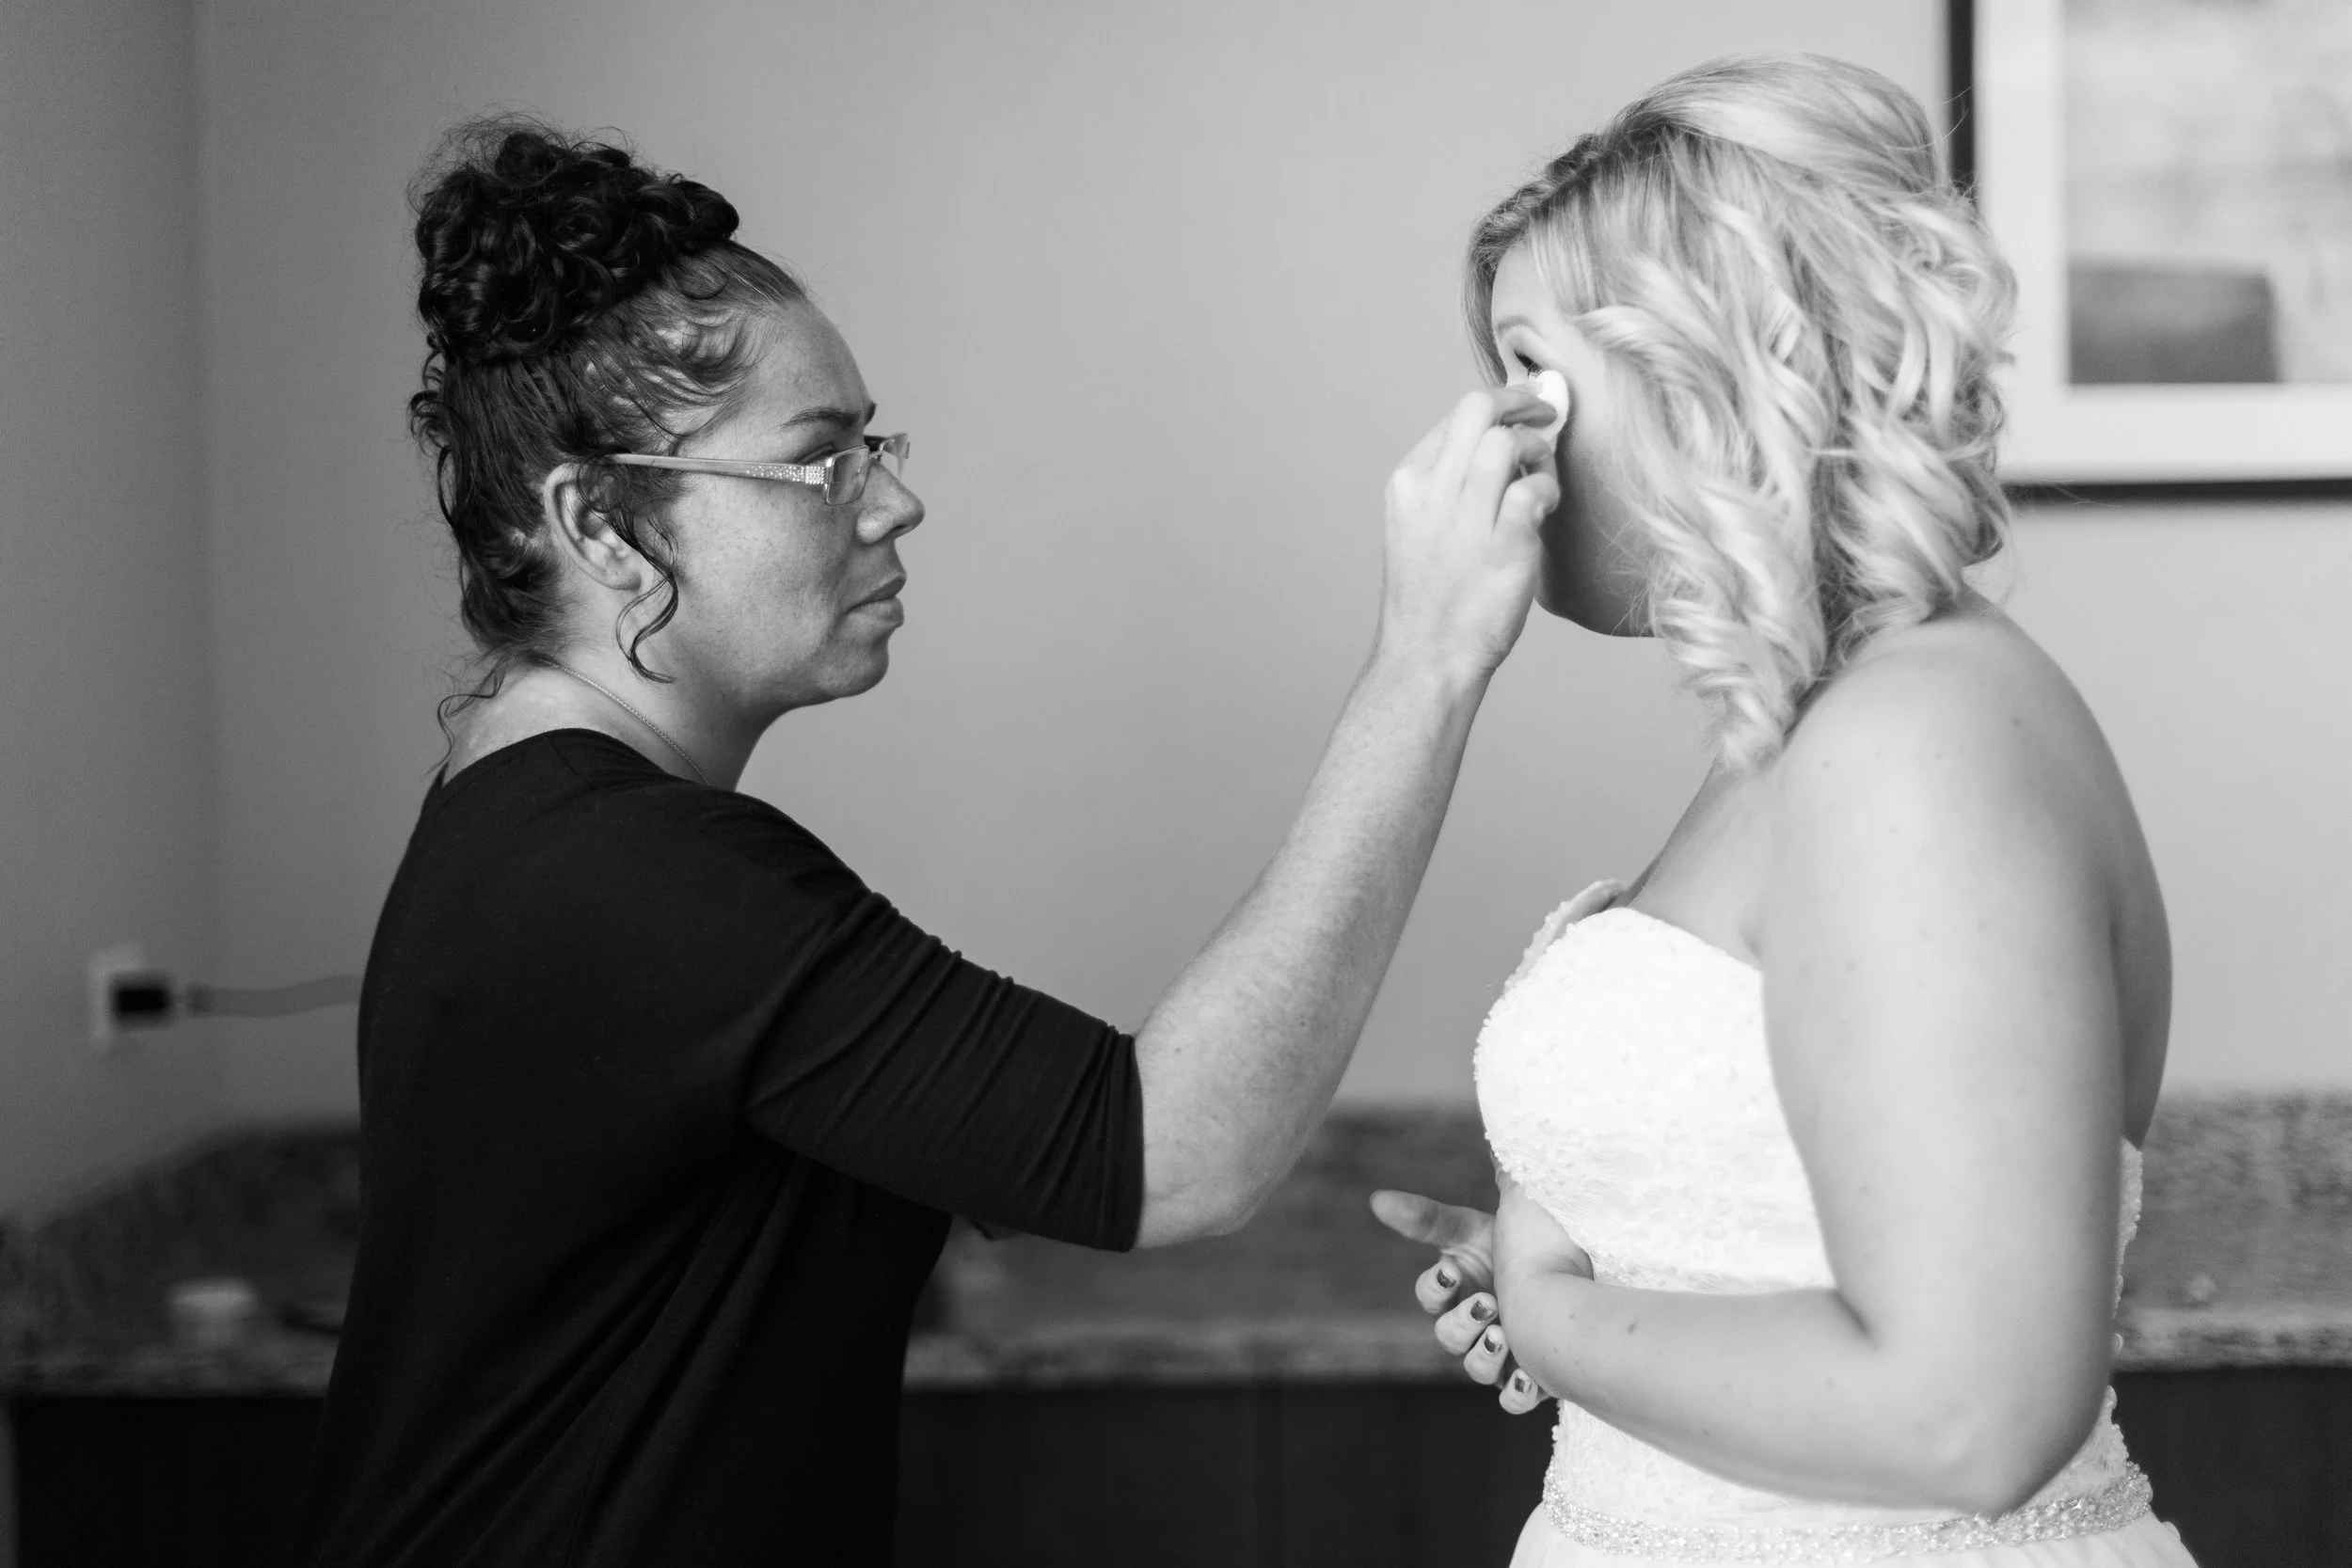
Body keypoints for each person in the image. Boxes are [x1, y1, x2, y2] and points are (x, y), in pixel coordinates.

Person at [291, 119, 1560, 1565]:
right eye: (820, 462)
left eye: (871, 445)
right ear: (602, 523)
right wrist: (1428, 658)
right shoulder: (634, 877)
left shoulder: (533, 823)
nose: (894, 499)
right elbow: (1178, 1151)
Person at [1373, 55, 2200, 1568]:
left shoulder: (1918, 739)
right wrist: (1600, 1280)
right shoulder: (1813, 721)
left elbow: (1972, 1414)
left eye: (1530, 369)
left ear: (1706, 365)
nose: (1496, 434)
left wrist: (1555, 1316)